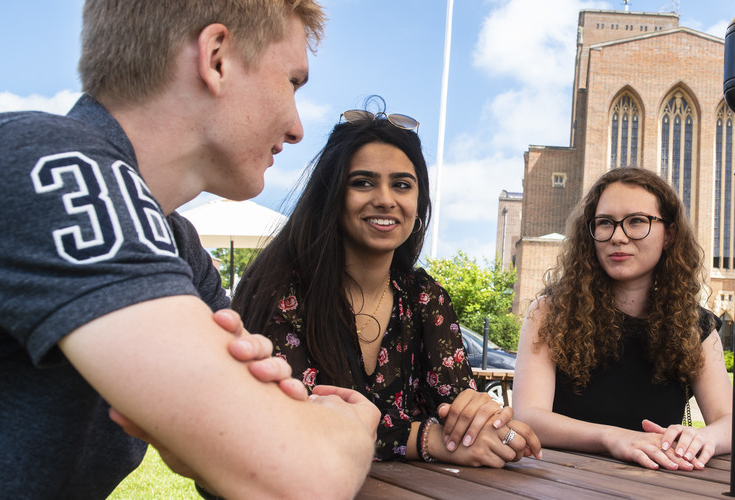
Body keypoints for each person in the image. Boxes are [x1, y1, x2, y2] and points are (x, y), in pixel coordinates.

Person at [0, 1, 383, 498]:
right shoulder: (46, 165)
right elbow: (294, 474)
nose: (296, 127)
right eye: (292, 82)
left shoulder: (178, 247)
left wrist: (254, 433)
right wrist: (353, 429)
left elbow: (237, 458)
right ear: (217, 58)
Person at [232, 101, 541, 467]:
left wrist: (486, 422)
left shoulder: (425, 299)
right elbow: (290, 421)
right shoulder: (279, 291)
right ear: (331, 195)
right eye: (362, 182)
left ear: (418, 201)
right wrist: (424, 439)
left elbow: (457, 414)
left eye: (401, 185)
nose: (385, 199)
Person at [513, 167, 733, 471]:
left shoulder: (696, 326)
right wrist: (613, 438)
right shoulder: (550, 312)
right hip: (562, 482)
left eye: (637, 221)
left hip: (657, 485)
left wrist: (704, 437)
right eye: (605, 223)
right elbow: (528, 417)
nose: (617, 236)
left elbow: (731, 422)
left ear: (668, 234)